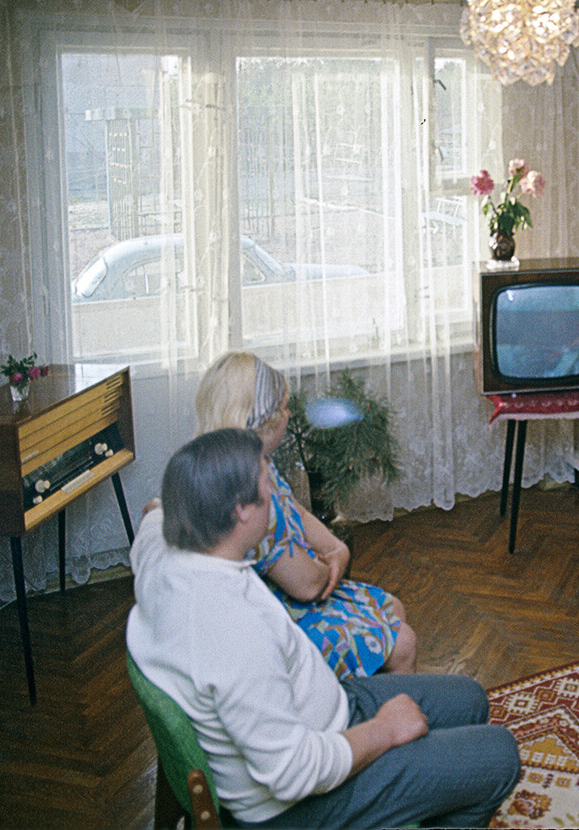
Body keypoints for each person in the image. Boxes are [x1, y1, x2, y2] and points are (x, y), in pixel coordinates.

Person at [127, 428, 520, 827]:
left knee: (471, 699)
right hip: (298, 801)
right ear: (240, 511)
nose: (276, 498)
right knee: (500, 755)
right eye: (268, 486)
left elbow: (152, 515)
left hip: (324, 710)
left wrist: (161, 506)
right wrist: (384, 730)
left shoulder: (161, 550)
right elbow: (292, 774)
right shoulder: (234, 631)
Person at [196, 351, 415, 678]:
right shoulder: (248, 496)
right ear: (266, 420)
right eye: (283, 407)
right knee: (404, 643)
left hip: (285, 601)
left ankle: (370, 704)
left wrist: (334, 548)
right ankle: (373, 721)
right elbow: (308, 586)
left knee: (393, 608)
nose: (287, 413)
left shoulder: (250, 462)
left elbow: (294, 508)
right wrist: (334, 562)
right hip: (278, 628)